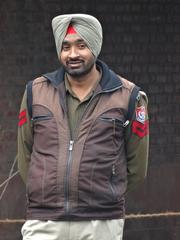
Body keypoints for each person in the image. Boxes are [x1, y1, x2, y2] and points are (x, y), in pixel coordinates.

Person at [17, 13, 149, 240]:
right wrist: (46, 192)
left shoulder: (129, 96)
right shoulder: (35, 92)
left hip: (101, 222)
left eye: (82, 45)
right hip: (45, 221)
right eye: (66, 47)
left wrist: (103, 194)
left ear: (95, 47)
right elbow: (25, 157)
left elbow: (137, 167)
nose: (73, 54)